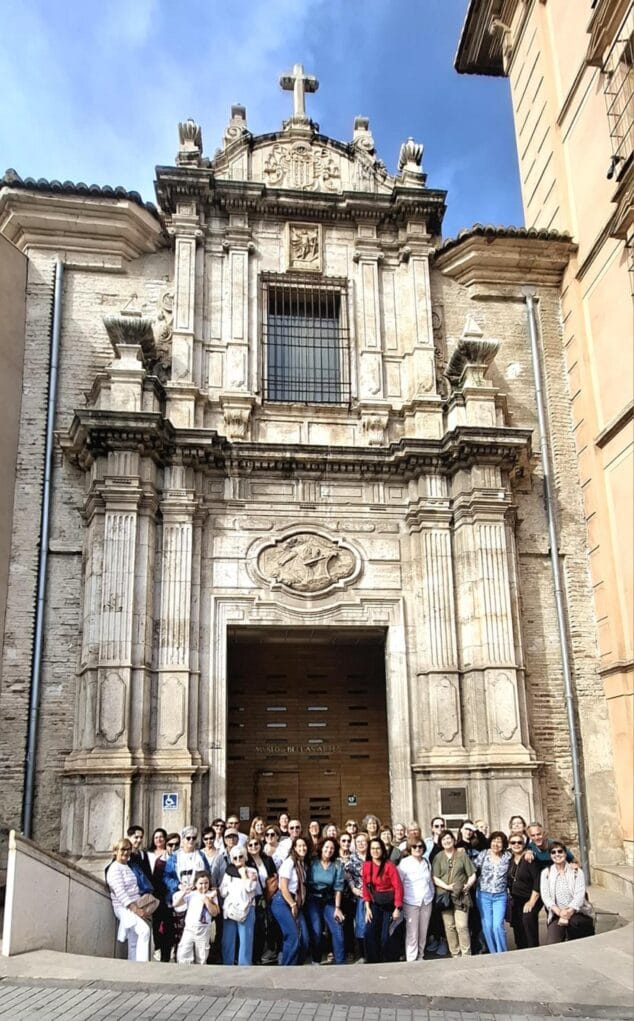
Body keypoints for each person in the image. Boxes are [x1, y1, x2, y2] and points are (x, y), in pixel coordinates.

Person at [432, 829, 476, 958]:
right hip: (445, 896)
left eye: (449, 838)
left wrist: (468, 885)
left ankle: (466, 954)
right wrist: (446, 886)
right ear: (441, 842)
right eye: (444, 839)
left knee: (462, 926)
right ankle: (455, 953)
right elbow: (434, 877)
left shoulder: (462, 855)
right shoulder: (438, 857)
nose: (447, 841)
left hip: (461, 896)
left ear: (454, 840)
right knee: (449, 926)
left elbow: (472, 874)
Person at [164, 826, 210, 950]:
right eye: (187, 838)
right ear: (183, 839)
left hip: (197, 896)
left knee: (198, 929)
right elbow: (167, 877)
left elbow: (207, 873)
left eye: (193, 838)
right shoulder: (174, 857)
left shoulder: (201, 855)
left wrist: (201, 886)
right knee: (181, 931)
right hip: (181, 896)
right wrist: (179, 885)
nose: (190, 841)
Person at [106, 838, 151, 962]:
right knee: (144, 931)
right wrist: (136, 910)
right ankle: (142, 965)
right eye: (123, 849)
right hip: (124, 908)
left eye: (128, 849)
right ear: (115, 851)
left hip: (135, 905)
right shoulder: (114, 869)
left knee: (134, 940)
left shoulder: (127, 866)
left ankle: (133, 966)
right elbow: (120, 893)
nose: (126, 852)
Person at [540, 841, 594, 944]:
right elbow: (546, 896)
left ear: (565, 853)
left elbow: (579, 895)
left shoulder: (576, 871)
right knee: (553, 942)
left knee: (575, 925)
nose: (557, 854)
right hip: (557, 913)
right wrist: (560, 912)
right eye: (553, 852)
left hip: (577, 912)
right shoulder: (546, 873)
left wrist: (569, 912)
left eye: (560, 851)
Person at [362, 837, 404, 963]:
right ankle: (373, 961)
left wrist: (397, 908)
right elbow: (365, 887)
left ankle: (388, 960)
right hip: (375, 903)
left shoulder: (389, 866)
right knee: (369, 932)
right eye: (373, 848)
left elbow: (398, 887)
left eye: (378, 848)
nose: (375, 851)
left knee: (385, 936)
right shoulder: (366, 866)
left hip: (389, 904)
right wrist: (367, 907)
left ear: (382, 850)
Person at [270, 835, 310, 965]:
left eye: (304, 846)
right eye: (299, 846)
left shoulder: (302, 864)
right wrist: (292, 904)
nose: (302, 848)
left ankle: (296, 965)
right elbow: (283, 887)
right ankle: (287, 967)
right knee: (292, 935)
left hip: (295, 902)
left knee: (305, 939)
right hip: (283, 901)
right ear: (294, 848)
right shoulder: (289, 863)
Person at [306, 837, 346, 965]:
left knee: (337, 929)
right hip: (313, 899)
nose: (329, 850)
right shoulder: (313, 862)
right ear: (321, 848)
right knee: (316, 931)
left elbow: (338, 887)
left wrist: (337, 908)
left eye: (332, 848)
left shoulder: (337, 865)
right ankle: (316, 960)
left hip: (329, 900)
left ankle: (341, 962)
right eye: (327, 847)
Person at [398, 836, 435, 962]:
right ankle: (411, 959)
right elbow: (399, 883)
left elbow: (430, 881)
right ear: (410, 848)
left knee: (423, 931)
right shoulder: (404, 863)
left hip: (426, 901)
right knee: (412, 933)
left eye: (420, 846)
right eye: (414, 846)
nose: (418, 849)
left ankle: (420, 956)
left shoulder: (426, 862)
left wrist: (431, 895)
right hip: (410, 902)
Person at [220, 845, 258, 965]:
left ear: (245, 857)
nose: (238, 860)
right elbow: (222, 891)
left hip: (246, 909)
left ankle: (244, 967)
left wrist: (244, 875)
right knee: (228, 940)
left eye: (240, 857)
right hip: (231, 909)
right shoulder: (228, 872)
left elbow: (250, 887)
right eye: (234, 858)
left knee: (246, 940)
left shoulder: (252, 871)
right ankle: (227, 964)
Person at [475, 831, 512, 953]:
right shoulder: (483, 854)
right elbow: (471, 868)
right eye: (494, 840)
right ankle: (493, 952)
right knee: (487, 926)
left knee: (497, 926)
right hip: (483, 895)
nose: (496, 844)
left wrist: (528, 852)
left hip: (500, 896)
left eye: (499, 841)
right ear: (490, 842)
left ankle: (502, 953)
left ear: (504, 844)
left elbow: (519, 855)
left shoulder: (507, 856)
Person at [173, 870, 219, 964]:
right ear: (196, 884)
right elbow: (176, 904)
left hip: (203, 930)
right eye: (200, 883)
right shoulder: (192, 894)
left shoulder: (211, 895)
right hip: (189, 929)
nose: (203, 886)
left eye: (206, 883)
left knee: (202, 956)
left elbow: (215, 912)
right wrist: (184, 892)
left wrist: (207, 901)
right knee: (183, 953)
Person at [245, 835, 278, 964]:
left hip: (269, 895)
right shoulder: (247, 862)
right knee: (258, 927)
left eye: (256, 844)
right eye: (250, 845)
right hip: (255, 898)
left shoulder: (268, 859)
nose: (254, 847)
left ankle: (270, 951)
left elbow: (274, 876)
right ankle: (256, 956)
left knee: (271, 923)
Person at [507, 833, 541, 948]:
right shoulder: (509, 860)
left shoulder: (528, 858)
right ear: (509, 845)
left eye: (519, 842)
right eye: (513, 842)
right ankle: (521, 950)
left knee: (528, 921)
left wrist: (531, 902)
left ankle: (533, 949)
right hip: (515, 900)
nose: (516, 845)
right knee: (518, 927)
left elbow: (537, 881)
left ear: (523, 844)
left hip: (529, 897)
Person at [148, 827, 174, 963]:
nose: (159, 839)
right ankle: (158, 947)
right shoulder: (148, 854)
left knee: (168, 923)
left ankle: (167, 951)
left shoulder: (170, 854)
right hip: (154, 892)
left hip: (167, 893)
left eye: (161, 837)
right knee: (157, 923)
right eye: (156, 837)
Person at [347, 831, 368, 961]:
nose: (361, 844)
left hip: (374, 895)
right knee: (360, 925)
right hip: (360, 896)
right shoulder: (352, 858)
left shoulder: (372, 856)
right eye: (358, 842)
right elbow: (348, 875)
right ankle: (362, 955)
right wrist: (353, 888)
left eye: (363, 841)